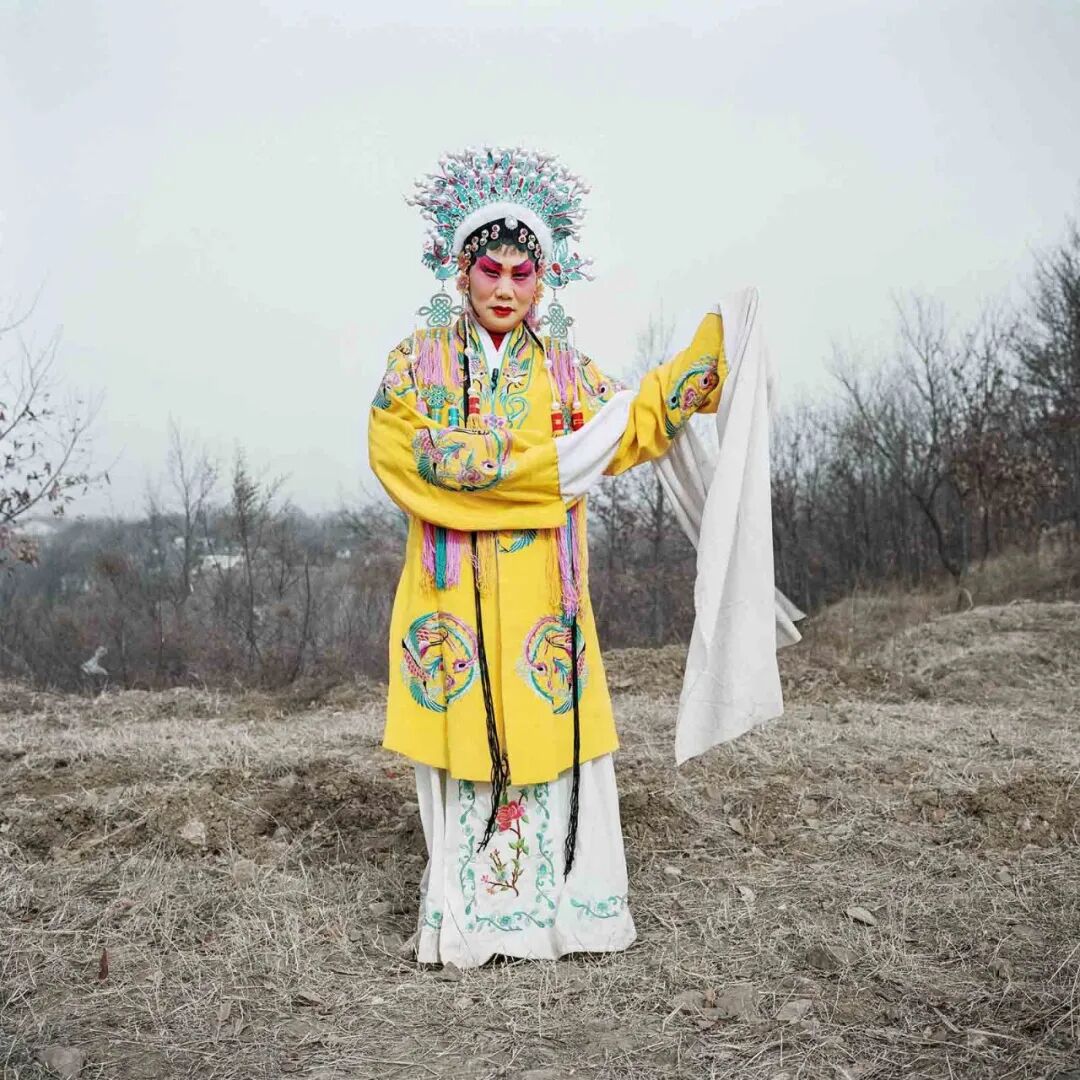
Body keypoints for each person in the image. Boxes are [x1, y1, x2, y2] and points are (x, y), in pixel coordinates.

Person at [368, 146, 729, 969]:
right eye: (489, 270)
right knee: (464, 751)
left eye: (522, 273)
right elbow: (403, 454)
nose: (504, 288)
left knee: (554, 748)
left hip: (543, 602)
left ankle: (566, 919)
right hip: (451, 605)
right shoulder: (415, 367)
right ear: (460, 272)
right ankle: (466, 922)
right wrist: (549, 474)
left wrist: (709, 355)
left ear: (543, 281)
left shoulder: (568, 375)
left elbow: (635, 424)